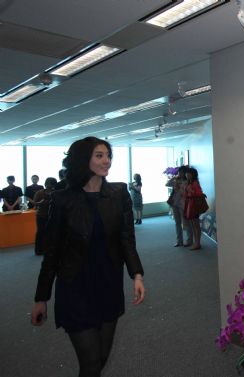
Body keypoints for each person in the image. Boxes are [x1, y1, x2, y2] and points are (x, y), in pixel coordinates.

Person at [31, 136, 145, 377]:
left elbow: (126, 239)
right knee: (91, 362)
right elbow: (52, 253)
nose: (107, 161)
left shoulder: (118, 193)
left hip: (108, 285)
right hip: (75, 288)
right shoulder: (62, 200)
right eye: (100, 155)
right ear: (84, 159)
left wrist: (137, 274)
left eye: (108, 155)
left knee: (101, 358)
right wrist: (41, 297)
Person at [166, 166, 192, 247]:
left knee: (186, 223)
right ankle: (179, 241)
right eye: (179, 172)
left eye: (181, 172)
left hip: (183, 204)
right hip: (175, 203)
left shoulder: (187, 181)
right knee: (177, 223)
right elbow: (166, 184)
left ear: (185, 172)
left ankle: (189, 240)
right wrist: (173, 178)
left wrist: (180, 186)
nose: (180, 173)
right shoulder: (176, 180)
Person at [32, 177, 57, 255]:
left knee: (51, 233)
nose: (49, 186)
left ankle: (49, 249)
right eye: (48, 184)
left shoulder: (56, 193)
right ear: (46, 184)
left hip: (52, 215)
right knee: (40, 232)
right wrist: (41, 202)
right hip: (41, 215)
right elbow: (34, 203)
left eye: (51, 184)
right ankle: (38, 250)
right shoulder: (39, 192)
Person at [184, 167, 204, 250]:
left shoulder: (195, 183)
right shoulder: (190, 182)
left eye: (189, 173)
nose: (187, 174)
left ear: (193, 174)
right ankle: (196, 242)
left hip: (194, 205)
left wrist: (191, 192)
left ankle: (197, 243)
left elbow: (199, 194)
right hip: (190, 204)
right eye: (187, 173)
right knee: (193, 225)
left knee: (196, 225)